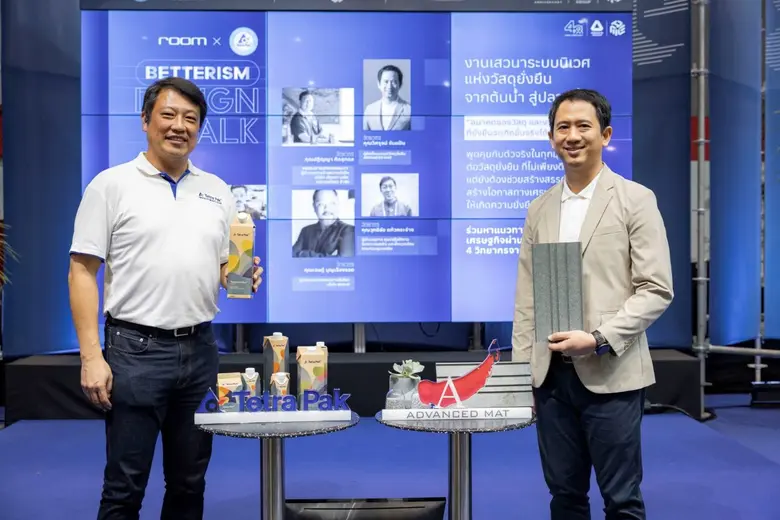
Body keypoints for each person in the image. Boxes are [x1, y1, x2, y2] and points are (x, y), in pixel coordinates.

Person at [68, 77, 263, 520]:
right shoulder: (111, 185)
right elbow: (81, 271)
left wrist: (239, 276)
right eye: (169, 115)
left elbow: (221, 267)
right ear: (145, 120)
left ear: (200, 128)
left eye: (190, 119)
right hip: (135, 352)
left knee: (190, 484)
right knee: (124, 488)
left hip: (200, 350)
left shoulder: (217, 190)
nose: (179, 126)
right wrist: (91, 356)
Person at [512, 88, 673, 520]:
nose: (572, 136)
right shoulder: (539, 209)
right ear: (551, 138)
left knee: (622, 499)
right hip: (551, 378)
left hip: (612, 373)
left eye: (583, 126)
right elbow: (527, 298)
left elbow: (656, 288)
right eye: (562, 127)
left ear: (605, 135)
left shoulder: (635, 199)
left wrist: (599, 338)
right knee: (564, 497)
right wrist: (524, 375)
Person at [292, 189, 355, 257]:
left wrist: (303, 254)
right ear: (314, 207)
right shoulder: (305, 231)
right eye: (321, 204)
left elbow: (342, 261)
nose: (327, 209)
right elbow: (290, 255)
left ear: (338, 205)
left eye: (332, 203)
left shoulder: (349, 230)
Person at [363, 64, 412, 131]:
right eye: (386, 82)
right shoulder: (370, 110)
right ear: (379, 84)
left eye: (394, 82)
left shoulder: (409, 110)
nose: (389, 86)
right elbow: (363, 135)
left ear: (400, 85)